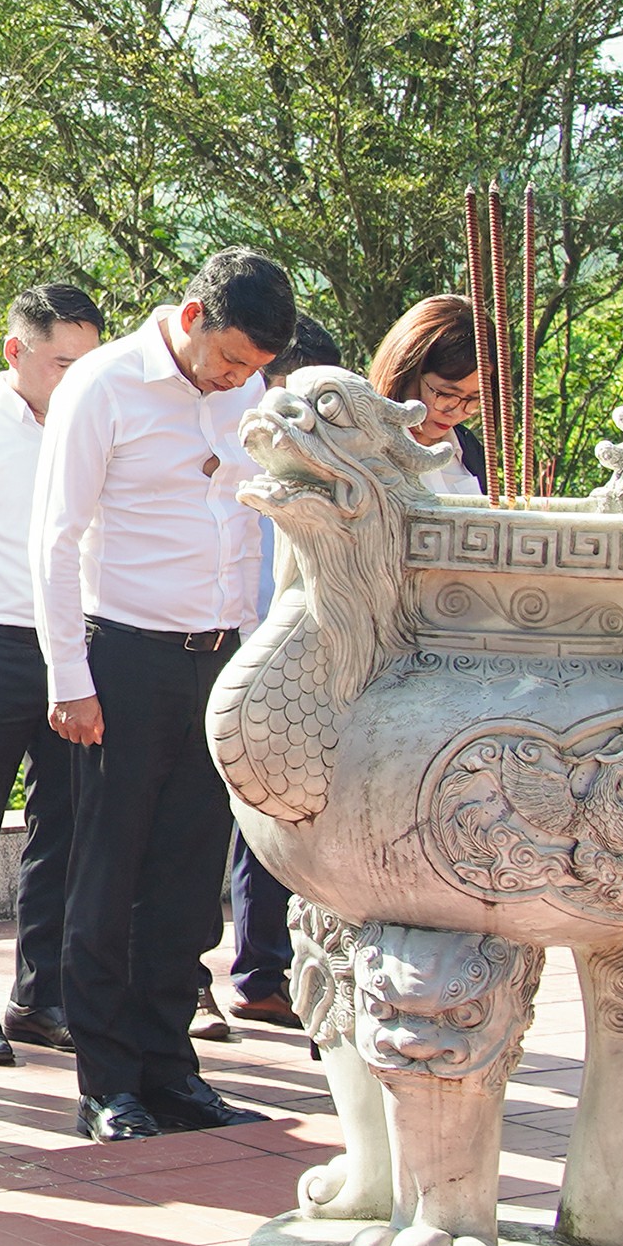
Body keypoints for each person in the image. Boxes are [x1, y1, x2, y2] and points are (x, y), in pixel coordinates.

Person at [33, 247, 290, 1143]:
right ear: (191, 317)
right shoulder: (103, 385)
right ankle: (108, 1082)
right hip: (122, 657)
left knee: (188, 877)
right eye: (230, 358)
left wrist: (254, 658)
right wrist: (69, 678)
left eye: (254, 368)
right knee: (109, 879)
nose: (235, 378)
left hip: (218, 660)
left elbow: (250, 531)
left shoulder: (246, 394)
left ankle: (171, 1067)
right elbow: (54, 538)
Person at [0, 285, 104, 1066]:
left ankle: (41, 995)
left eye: (89, 363)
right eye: (63, 362)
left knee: (62, 828)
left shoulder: (95, 427)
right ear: (15, 351)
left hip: (72, 648)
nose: (77, 378)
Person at [213, 313, 344, 1034]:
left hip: (302, 659)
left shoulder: (330, 472)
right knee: (204, 825)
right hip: (222, 648)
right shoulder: (230, 454)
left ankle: (272, 968)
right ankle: (216, 976)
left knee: (284, 810)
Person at [366, 294, 486, 495]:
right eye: (446, 394)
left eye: (473, 399)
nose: (456, 412)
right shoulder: (363, 448)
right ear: (405, 372)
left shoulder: (470, 450)